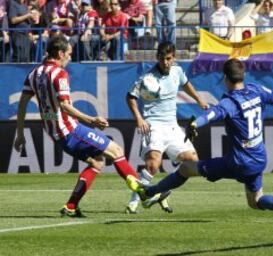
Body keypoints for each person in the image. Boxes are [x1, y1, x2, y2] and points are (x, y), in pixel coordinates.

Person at [128, 58, 273, 224]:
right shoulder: (257, 90)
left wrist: (195, 124)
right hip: (259, 158)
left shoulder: (230, 102)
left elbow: (213, 114)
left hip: (239, 162)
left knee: (186, 168)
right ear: (243, 75)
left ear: (225, 77)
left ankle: (148, 192)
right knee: (256, 201)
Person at [14, 35, 167, 217]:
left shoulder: (34, 74)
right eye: (69, 54)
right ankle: (143, 193)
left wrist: (20, 133)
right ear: (60, 53)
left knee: (97, 162)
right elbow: (64, 106)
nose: (70, 58)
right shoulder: (60, 74)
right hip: (70, 130)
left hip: (55, 133)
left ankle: (71, 206)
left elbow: (22, 104)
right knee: (116, 150)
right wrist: (91, 120)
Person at [125, 41, 208, 214]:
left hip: (172, 126)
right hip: (153, 125)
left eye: (169, 58)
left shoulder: (177, 71)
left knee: (192, 162)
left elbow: (185, 83)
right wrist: (139, 118)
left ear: (174, 57)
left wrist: (198, 99)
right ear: (157, 58)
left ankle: (161, 192)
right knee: (153, 165)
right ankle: (133, 203)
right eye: (162, 59)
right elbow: (130, 96)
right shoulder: (148, 78)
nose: (166, 62)